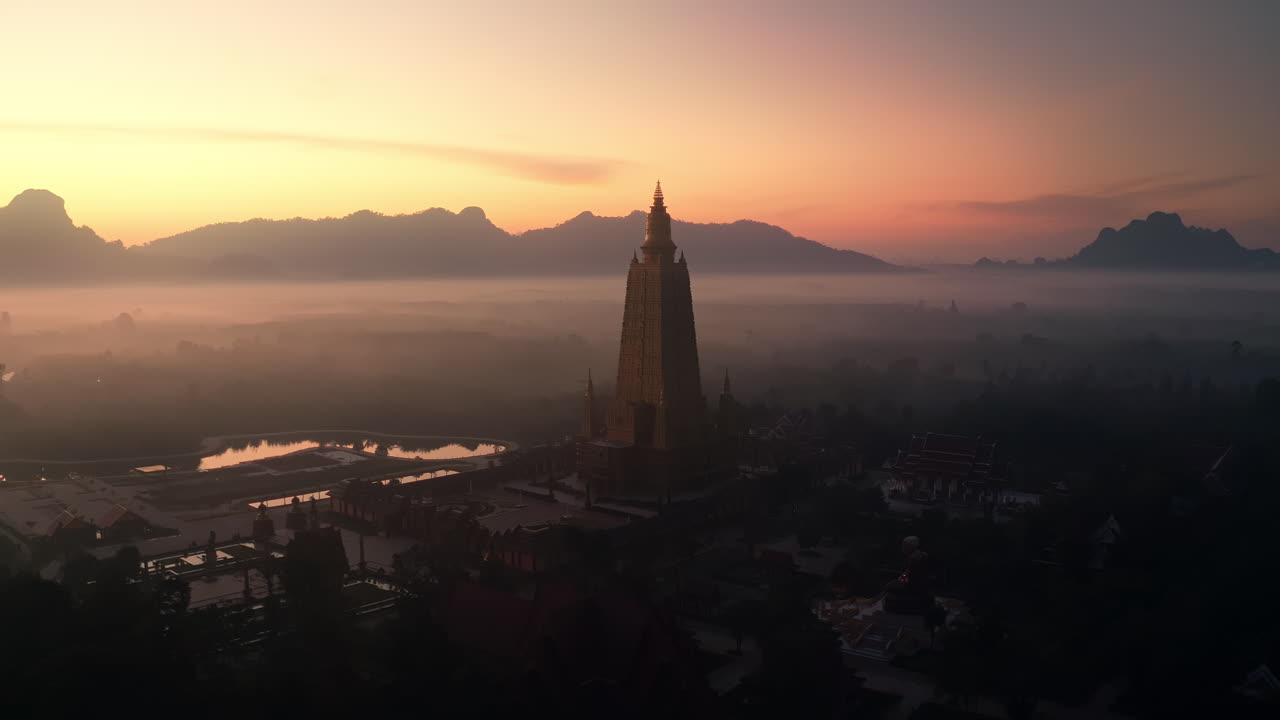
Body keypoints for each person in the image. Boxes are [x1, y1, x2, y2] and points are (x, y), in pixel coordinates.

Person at [884, 536, 933, 614]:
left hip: (914, 587)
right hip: (918, 584)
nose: (902, 548)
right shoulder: (919, 555)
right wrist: (902, 577)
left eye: (904, 545)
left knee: (888, 586)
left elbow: (910, 577)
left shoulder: (914, 558)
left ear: (910, 547)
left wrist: (899, 581)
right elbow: (908, 573)